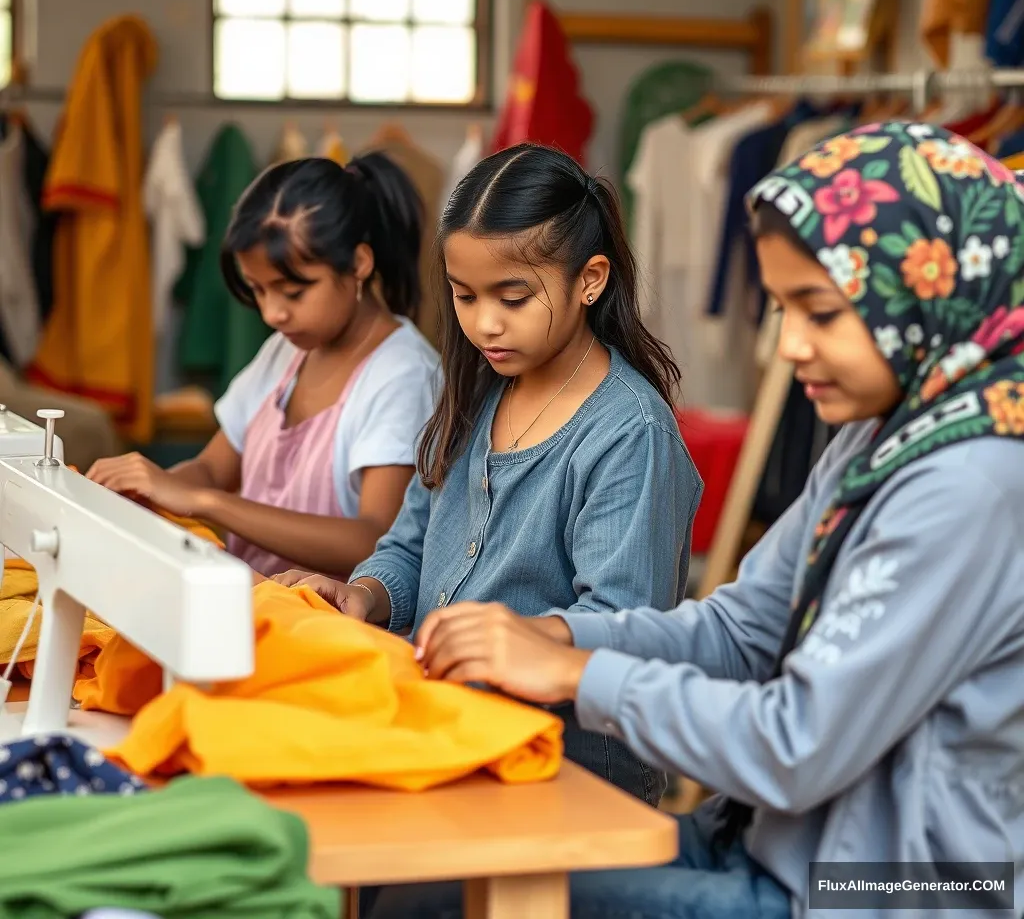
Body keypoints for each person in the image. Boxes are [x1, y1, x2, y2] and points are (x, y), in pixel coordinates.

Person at [373, 121, 1024, 919]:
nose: (790, 347)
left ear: (928, 292)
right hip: (781, 843)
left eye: (820, 313)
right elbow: (739, 631)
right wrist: (563, 637)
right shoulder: (881, 438)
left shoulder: (971, 484)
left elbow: (797, 745)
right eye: (784, 310)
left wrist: (578, 672)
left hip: (887, 890)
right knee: (430, 881)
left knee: (436, 900)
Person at [275, 143, 703, 806]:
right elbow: (409, 545)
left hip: (570, 776)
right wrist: (362, 597)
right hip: (451, 737)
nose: (483, 323)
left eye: (513, 296)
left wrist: (505, 640)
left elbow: (624, 625)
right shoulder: (479, 394)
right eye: (464, 295)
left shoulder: (630, 435)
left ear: (590, 280)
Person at [88, 153, 439, 580]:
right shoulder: (283, 353)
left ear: (359, 263)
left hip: (339, 629)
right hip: (258, 607)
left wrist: (205, 502)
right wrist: (146, 489)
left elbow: (375, 539)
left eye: (292, 292)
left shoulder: (404, 376)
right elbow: (214, 468)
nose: (272, 313)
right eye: (258, 290)